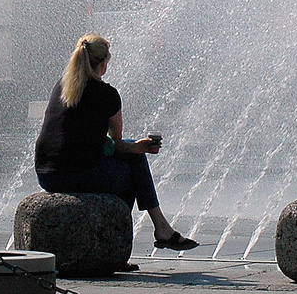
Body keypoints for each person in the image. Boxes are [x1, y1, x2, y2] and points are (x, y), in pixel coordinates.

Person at [34, 33, 197, 254]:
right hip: (77, 175)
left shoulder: (61, 87)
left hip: (47, 175)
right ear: (103, 64)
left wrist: (135, 146)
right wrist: (138, 149)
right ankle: (124, 246)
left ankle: (160, 228)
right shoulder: (107, 94)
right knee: (132, 172)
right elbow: (117, 143)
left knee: (133, 156)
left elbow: (95, 142)